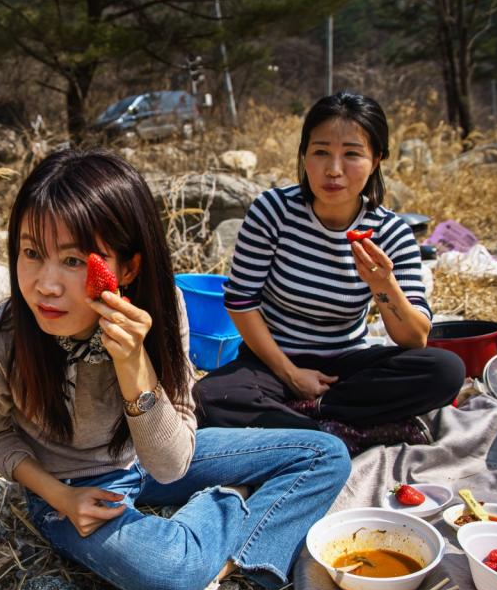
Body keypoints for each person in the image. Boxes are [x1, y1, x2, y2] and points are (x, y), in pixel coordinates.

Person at [0, 149, 351, 590]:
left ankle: (220, 551)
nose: (45, 284)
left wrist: (132, 363)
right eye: (31, 252)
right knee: (170, 571)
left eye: (75, 259)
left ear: (126, 268)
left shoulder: (165, 311)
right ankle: (229, 510)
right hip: (77, 489)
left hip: (155, 455)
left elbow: (170, 464)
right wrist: (60, 496)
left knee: (327, 454)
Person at [193, 92, 465, 455]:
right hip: (272, 361)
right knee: (209, 398)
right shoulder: (273, 212)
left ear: (376, 159)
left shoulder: (391, 232)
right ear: (304, 155)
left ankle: (310, 422)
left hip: (347, 368)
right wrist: (291, 373)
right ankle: (340, 430)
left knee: (444, 370)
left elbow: (414, 339)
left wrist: (383, 286)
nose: (334, 169)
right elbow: (241, 301)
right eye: (320, 152)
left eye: (352, 154)